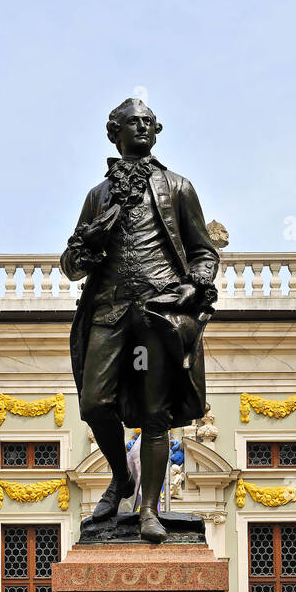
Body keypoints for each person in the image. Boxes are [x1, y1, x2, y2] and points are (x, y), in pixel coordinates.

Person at [61, 99, 218, 542]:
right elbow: (72, 265)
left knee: (155, 413)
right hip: (109, 309)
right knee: (94, 403)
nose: (143, 127)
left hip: (159, 309)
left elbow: (204, 250)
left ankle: (148, 509)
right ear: (115, 133)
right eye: (134, 122)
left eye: (149, 122)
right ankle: (121, 477)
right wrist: (84, 245)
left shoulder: (179, 187)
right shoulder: (98, 195)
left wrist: (195, 285)